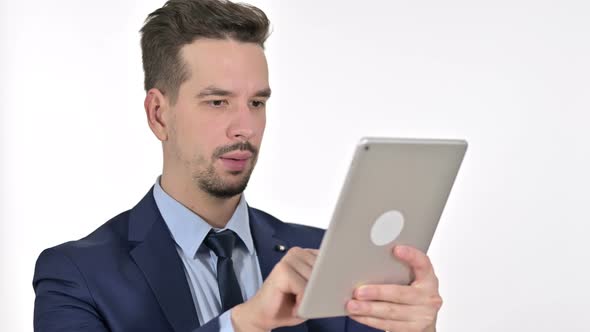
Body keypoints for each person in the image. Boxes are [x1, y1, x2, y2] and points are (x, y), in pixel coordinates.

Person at [32, 0, 443, 331]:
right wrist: (241, 325)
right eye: (217, 102)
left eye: (257, 103)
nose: (245, 128)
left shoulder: (327, 261)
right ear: (159, 114)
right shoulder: (77, 275)